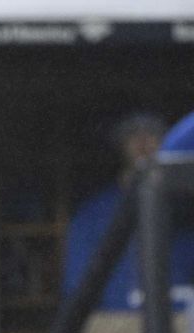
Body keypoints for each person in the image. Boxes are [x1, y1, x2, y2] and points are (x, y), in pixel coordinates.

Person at [62, 112, 194, 311]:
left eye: (152, 133)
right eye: (133, 134)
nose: (143, 141)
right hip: (113, 331)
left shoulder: (185, 210)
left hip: (182, 329)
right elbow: (76, 292)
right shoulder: (92, 216)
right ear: (120, 143)